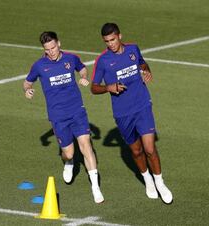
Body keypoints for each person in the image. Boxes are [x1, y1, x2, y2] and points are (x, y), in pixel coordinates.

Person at [91, 23, 173, 204]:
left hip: (142, 105)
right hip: (123, 113)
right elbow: (94, 88)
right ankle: (147, 180)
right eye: (106, 41)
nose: (110, 44)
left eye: (112, 39)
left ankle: (160, 183)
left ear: (119, 36)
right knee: (136, 151)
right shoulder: (102, 61)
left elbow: (142, 63)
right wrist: (108, 87)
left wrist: (146, 70)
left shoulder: (133, 49)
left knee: (150, 149)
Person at [23, 31, 104, 203]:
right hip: (58, 116)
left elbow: (82, 68)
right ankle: (68, 163)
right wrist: (27, 90)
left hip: (77, 111)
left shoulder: (71, 59)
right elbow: (27, 81)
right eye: (47, 49)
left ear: (59, 43)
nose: (51, 52)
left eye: (53, 47)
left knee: (86, 145)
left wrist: (83, 77)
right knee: (68, 153)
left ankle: (95, 188)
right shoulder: (39, 65)